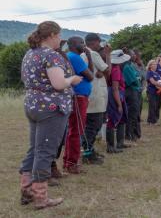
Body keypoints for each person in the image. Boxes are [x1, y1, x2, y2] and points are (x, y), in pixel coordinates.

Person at [19, 21, 82, 209]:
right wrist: (72, 79)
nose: (61, 39)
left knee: (35, 148)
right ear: (52, 35)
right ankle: (40, 197)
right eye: (60, 35)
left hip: (33, 105)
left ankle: (26, 189)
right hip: (51, 109)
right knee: (45, 151)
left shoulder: (30, 54)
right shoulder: (51, 56)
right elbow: (59, 84)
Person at [63, 37, 96, 172]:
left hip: (78, 97)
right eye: (81, 42)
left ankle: (68, 161)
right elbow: (91, 76)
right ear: (73, 44)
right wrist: (87, 56)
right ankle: (72, 163)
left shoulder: (71, 56)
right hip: (78, 98)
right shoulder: (75, 57)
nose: (84, 45)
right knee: (76, 130)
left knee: (73, 130)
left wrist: (88, 55)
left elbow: (90, 73)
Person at [81, 33, 111, 162]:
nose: (100, 46)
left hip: (91, 94)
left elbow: (102, 71)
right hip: (96, 94)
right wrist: (108, 54)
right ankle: (88, 154)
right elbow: (108, 70)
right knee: (94, 126)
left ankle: (90, 150)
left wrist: (101, 72)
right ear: (94, 42)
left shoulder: (83, 54)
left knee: (91, 126)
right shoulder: (92, 54)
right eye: (99, 43)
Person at [106, 50, 131, 153]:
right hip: (115, 95)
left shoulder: (114, 68)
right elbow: (115, 88)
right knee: (112, 119)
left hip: (118, 94)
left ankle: (120, 143)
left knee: (122, 118)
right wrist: (119, 104)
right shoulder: (115, 70)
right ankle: (111, 146)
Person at [123, 50, 142, 141]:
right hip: (130, 91)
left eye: (135, 54)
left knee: (135, 113)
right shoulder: (126, 67)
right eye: (132, 54)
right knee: (132, 114)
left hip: (134, 91)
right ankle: (129, 134)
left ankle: (134, 134)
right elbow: (133, 81)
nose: (134, 56)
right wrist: (138, 82)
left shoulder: (131, 66)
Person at [146, 58, 161, 125]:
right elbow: (152, 82)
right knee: (152, 106)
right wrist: (160, 84)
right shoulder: (149, 72)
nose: (155, 65)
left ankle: (153, 120)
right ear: (150, 65)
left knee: (156, 106)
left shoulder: (156, 73)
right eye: (154, 64)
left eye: (156, 64)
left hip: (158, 92)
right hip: (151, 91)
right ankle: (151, 121)